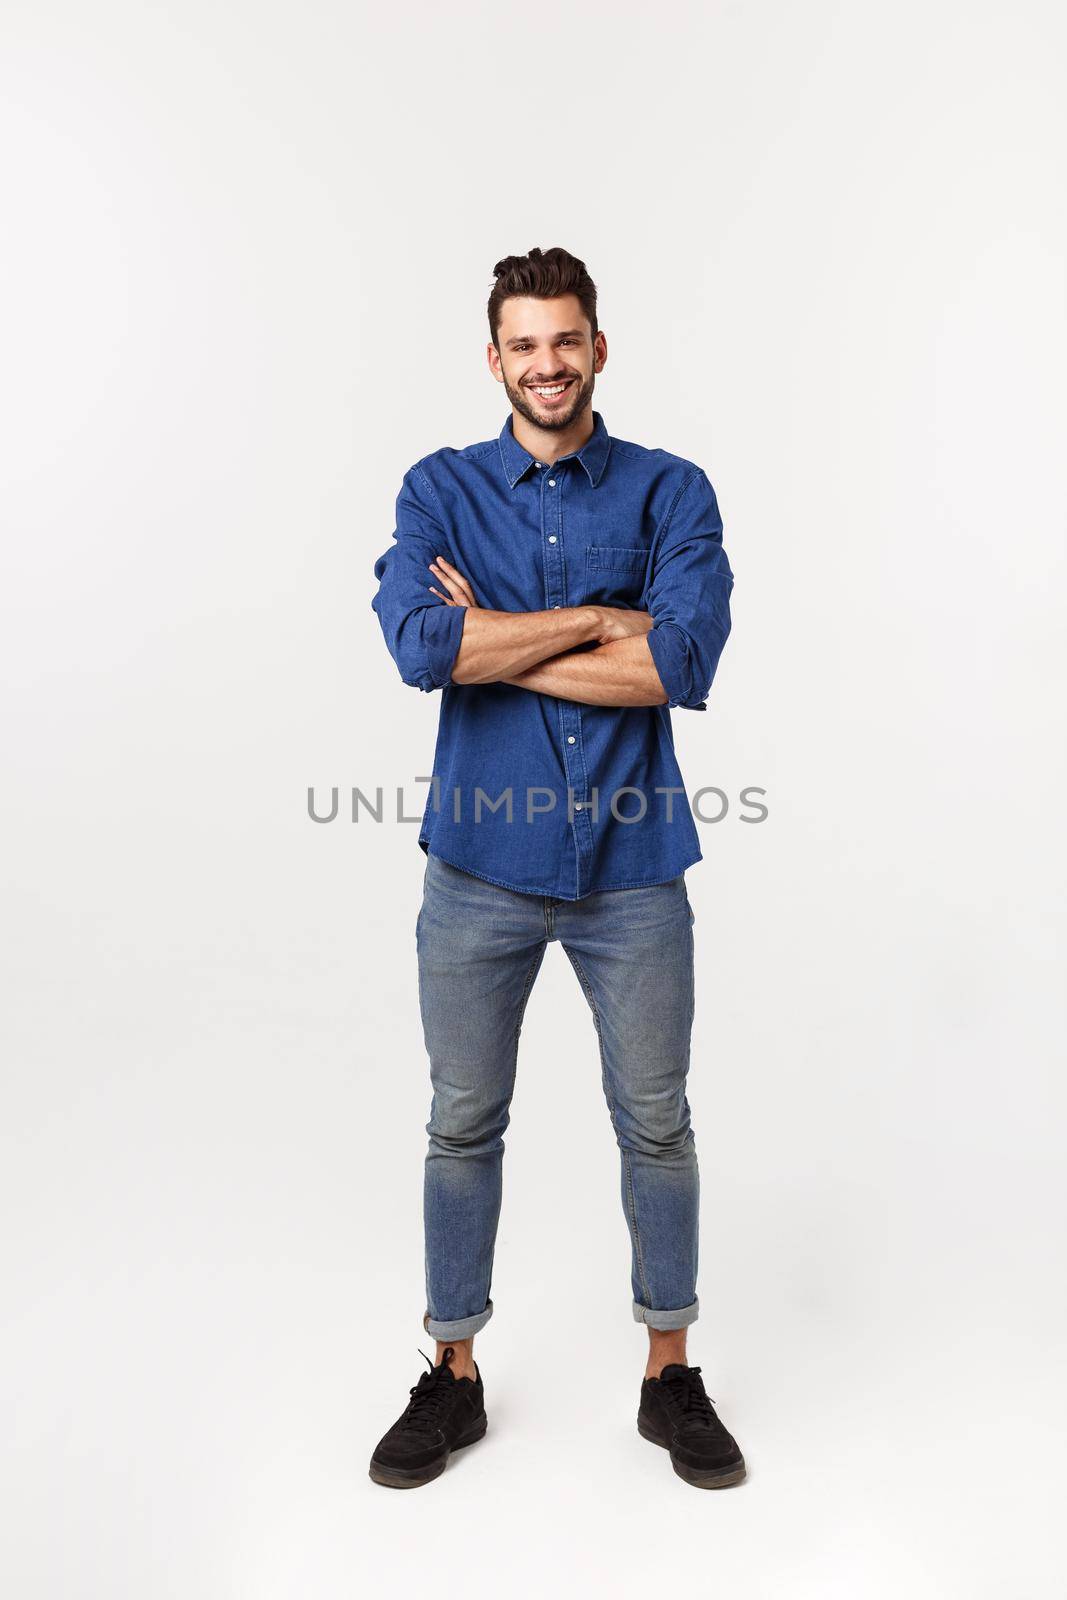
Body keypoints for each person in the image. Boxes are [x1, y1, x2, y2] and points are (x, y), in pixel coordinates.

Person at [367, 246, 744, 1491]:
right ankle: (453, 1374)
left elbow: (676, 667)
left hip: (633, 866)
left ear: (597, 348)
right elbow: (422, 645)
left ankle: (669, 1371)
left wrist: (500, 640)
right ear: (494, 359)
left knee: (656, 1123)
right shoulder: (437, 488)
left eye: (564, 340)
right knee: (461, 1123)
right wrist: (597, 616)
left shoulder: (670, 492)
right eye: (522, 344)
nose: (546, 363)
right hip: (476, 865)